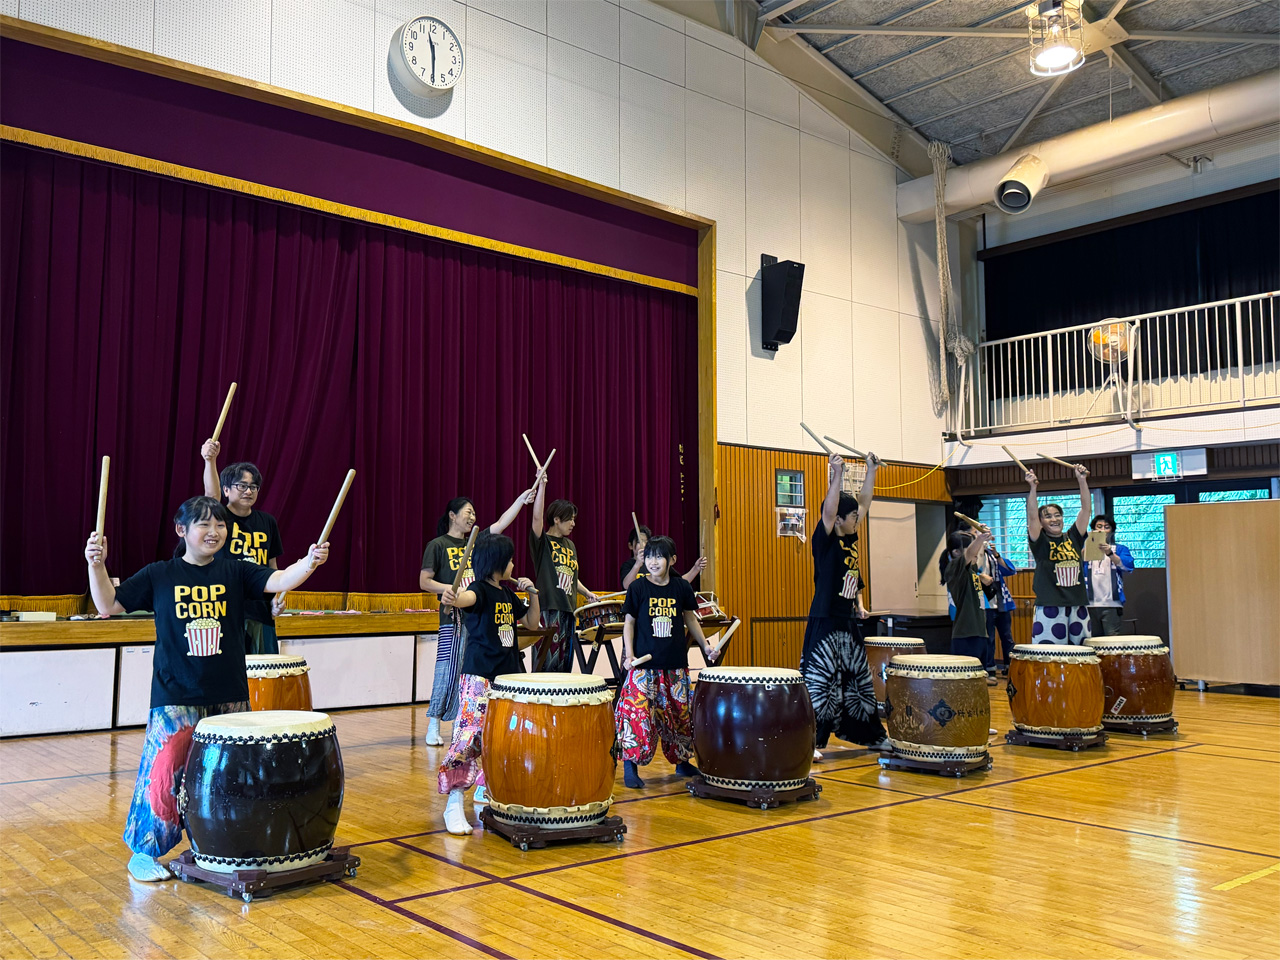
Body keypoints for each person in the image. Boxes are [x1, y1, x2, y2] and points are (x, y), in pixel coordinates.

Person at [85, 496, 329, 882]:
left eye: (220, 525)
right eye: (204, 525)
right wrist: (95, 564)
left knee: (227, 778)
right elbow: (108, 603)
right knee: (165, 773)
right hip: (175, 695)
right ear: (182, 531)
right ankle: (144, 853)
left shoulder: (235, 571)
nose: (214, 532)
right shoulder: (159, 574)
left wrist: (308, 562)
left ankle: (220, 844)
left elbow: (278, 580)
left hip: (229, 693)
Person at [436, 532, 541, 836]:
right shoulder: (479, 591)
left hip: (507, 679)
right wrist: (452, 596)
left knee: (503, 739)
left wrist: (532, 592)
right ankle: (454, 802)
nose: (513, 564)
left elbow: (532, 624)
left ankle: (489, 792)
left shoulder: (508, 595)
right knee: (469, 737)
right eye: (509, 559)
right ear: (497, 562)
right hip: (480, 676)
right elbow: (465, 599)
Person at [419, 487, 537, 747]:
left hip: (480, 613)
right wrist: (450, 592)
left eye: (474, 513)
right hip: (455, 613)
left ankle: (466, 721)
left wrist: (520, 499)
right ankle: (434, 721)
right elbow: (424, 581)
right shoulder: (437, 545)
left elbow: (501, 523)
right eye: (467, 512)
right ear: (452, 515)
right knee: (447, 670)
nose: (472, 517)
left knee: (471, 672)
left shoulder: (477, 543)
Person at [800, 452, 890, 760]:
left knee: (859, 680)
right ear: (839, 519)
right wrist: (836, 473)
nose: (857, 520)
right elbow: (830, 509)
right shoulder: (824, 539)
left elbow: (862, 503)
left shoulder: (850, 538)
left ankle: (872, 736)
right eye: (852, 518)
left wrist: (871, 470)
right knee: (818, 682)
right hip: (824, 620)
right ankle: (808, 742)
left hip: (846, 620)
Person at [616, 536, 719, 788]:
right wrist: (629, 655)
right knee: (636, 715)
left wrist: (705, 646)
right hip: (643, 667)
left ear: (671, 560)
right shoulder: (638, 588)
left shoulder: (680, 587)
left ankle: (682, 763)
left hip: (674, 666)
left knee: (679, 716)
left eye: (658, 556)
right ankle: (630, 767)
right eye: (649, 556)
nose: (652, 561)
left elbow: (690, 619)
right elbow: (628, 623)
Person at [201, 440, 283, 654]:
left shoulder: (268, 522)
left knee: (262, 675)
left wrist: (276, 599)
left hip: (259, 609)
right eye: (242, 486)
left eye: (253, 487)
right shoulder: (218, 519)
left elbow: (272, 565)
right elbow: (210, 496)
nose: (249, 491)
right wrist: (210, 460)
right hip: (224, 607)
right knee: (228, 674)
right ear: (226, 489)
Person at [528, 475, 598, 671]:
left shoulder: (570, 545)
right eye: (570, 519)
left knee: (564, 665)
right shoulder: (542, 542)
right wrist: (542, 485)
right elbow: (536, 517)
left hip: (569, 609)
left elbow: (573, 577)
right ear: (556, 519)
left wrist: (587, 593)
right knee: (545, 663)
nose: (573, 523)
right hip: (548, 608)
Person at [1025, 463, 1093, 644]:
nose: (1054, 519)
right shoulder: (1040, 541)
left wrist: (1082, 480)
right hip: (1050, 604)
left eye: (1057, 515)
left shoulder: (1073, 537)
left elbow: (1086, 510)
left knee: (1082, 652)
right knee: (1051, 653)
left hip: (1077, 603)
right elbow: (1031, 516)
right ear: (1041, 522)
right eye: (1048, 516)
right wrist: (1033, 488)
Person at [939, 530, 998, 675]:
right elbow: (970, 553)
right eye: (972, 546)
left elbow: (975, 556)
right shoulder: (954, 569)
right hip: (966, 634)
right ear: (957, 552)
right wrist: (979, 538)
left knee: (979, 678)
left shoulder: (971, 570)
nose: (977, 550)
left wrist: (982, 537)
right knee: (965, 680)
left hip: (979, 633)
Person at [1082, 514, 1135, 636]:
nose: (1102, 530)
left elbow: (1128, 566)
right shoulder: (1085, 550)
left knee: (1112, 642)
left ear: (1111, 531)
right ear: (1093, 530)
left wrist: (1110, 553)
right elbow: (1074, 567)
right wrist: (1083, 552)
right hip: (1088, 604)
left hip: (1111, 603)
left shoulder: (1119, 549)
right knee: (1091, 642)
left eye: (1106, 527)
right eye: (1098, 526)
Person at [620, 524, 707, 590]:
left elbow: (679, 582)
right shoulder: (629, 565)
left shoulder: (658, 564)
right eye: (639, 541)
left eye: (646, 541)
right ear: (630, 545)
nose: (643, 545)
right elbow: (627, 586)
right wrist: (637, 564)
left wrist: (696, 568)